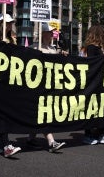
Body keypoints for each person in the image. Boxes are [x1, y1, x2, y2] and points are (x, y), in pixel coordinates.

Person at [0, 13, 22, 157]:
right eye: (5, 23)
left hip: (8, 80)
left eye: (10, 23)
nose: (8, 26)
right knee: (2, 112)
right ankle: (6, 145)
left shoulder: (13, 40)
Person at [28, 22, 66, 152]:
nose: (52, 34)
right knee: (43, 112)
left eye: (52, 32)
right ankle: (51, 141)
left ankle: (30, 138)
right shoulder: (34, 47)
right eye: (49, 32)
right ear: (43, 33)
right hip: (37, 86)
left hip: (49, 86)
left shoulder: (53, 49)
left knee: (41, 113)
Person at [82, 24, 104, 146]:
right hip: (94, 83)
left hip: (96, 83)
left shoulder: (94, 48)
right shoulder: (92, 48)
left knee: (98, 108)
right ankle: (91, 134)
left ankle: (97, 133)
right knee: (94, 108)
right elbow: (93, 63)